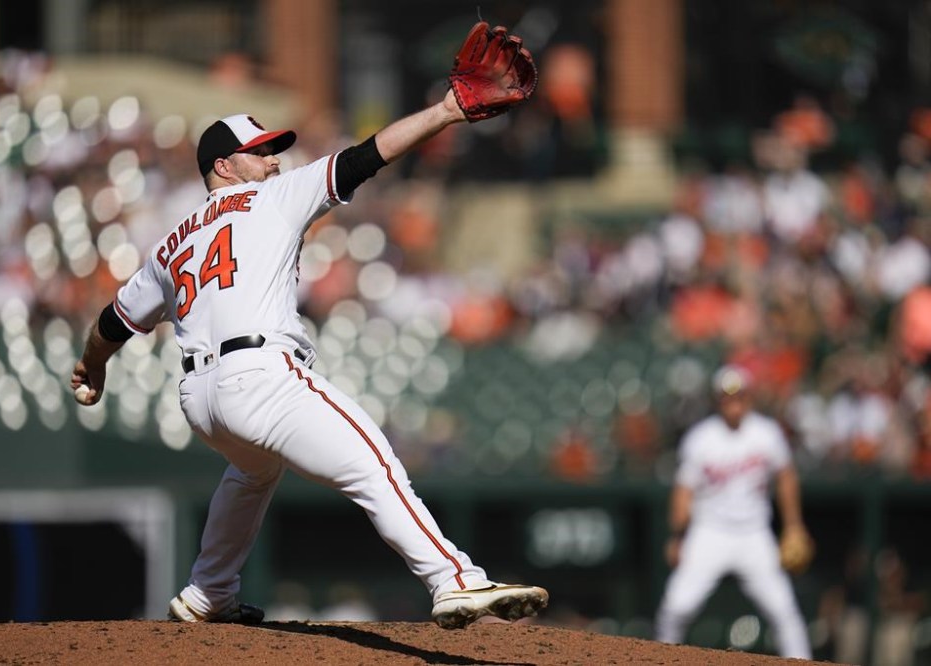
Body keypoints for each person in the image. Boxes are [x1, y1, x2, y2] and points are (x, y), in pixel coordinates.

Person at [69, 50, 547, 629]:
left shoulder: (171, 242)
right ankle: (455, 579)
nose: (273, 160)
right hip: (260, 376)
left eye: (274, 150)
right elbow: (369, 156)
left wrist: (93, 368)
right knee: (375, 464)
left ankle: (207, 595)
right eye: (260, 152)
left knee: (253, 472)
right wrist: (445, 112)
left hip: (201, 399)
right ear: (223, 166)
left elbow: (112, 323)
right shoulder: (274, 197)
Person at [654, 365, 812, 658]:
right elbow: (683, 491)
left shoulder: (766, 433)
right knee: (677, 607)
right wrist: (677, 536)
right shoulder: (701, 438)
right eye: (727, 397)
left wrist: (793, 525)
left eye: (738, 395)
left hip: (754, 534)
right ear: (718, 400)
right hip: (709, 531)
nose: (733, 402)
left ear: (748, 397)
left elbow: (786, 477)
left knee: (784, 610)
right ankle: (658, 660)